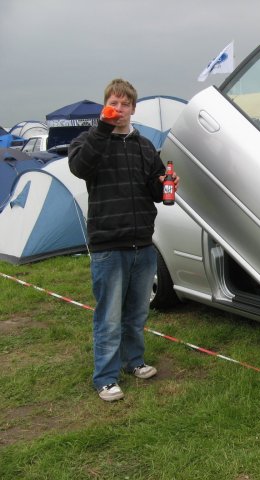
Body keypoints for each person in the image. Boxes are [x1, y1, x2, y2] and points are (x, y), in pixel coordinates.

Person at [68, 78, 179, 402]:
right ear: (106, 105)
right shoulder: (89, 141)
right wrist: (102, 129)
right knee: (109, 315)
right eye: (113, 103)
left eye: (125, 104)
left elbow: (158, 193)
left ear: (133, 108)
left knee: (136, 313)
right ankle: (105, 378)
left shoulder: (144, 146)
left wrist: (168, 183)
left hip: (143, 244)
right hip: (108, 245)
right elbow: (79, 167)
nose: (119, 109)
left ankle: (135, 362)